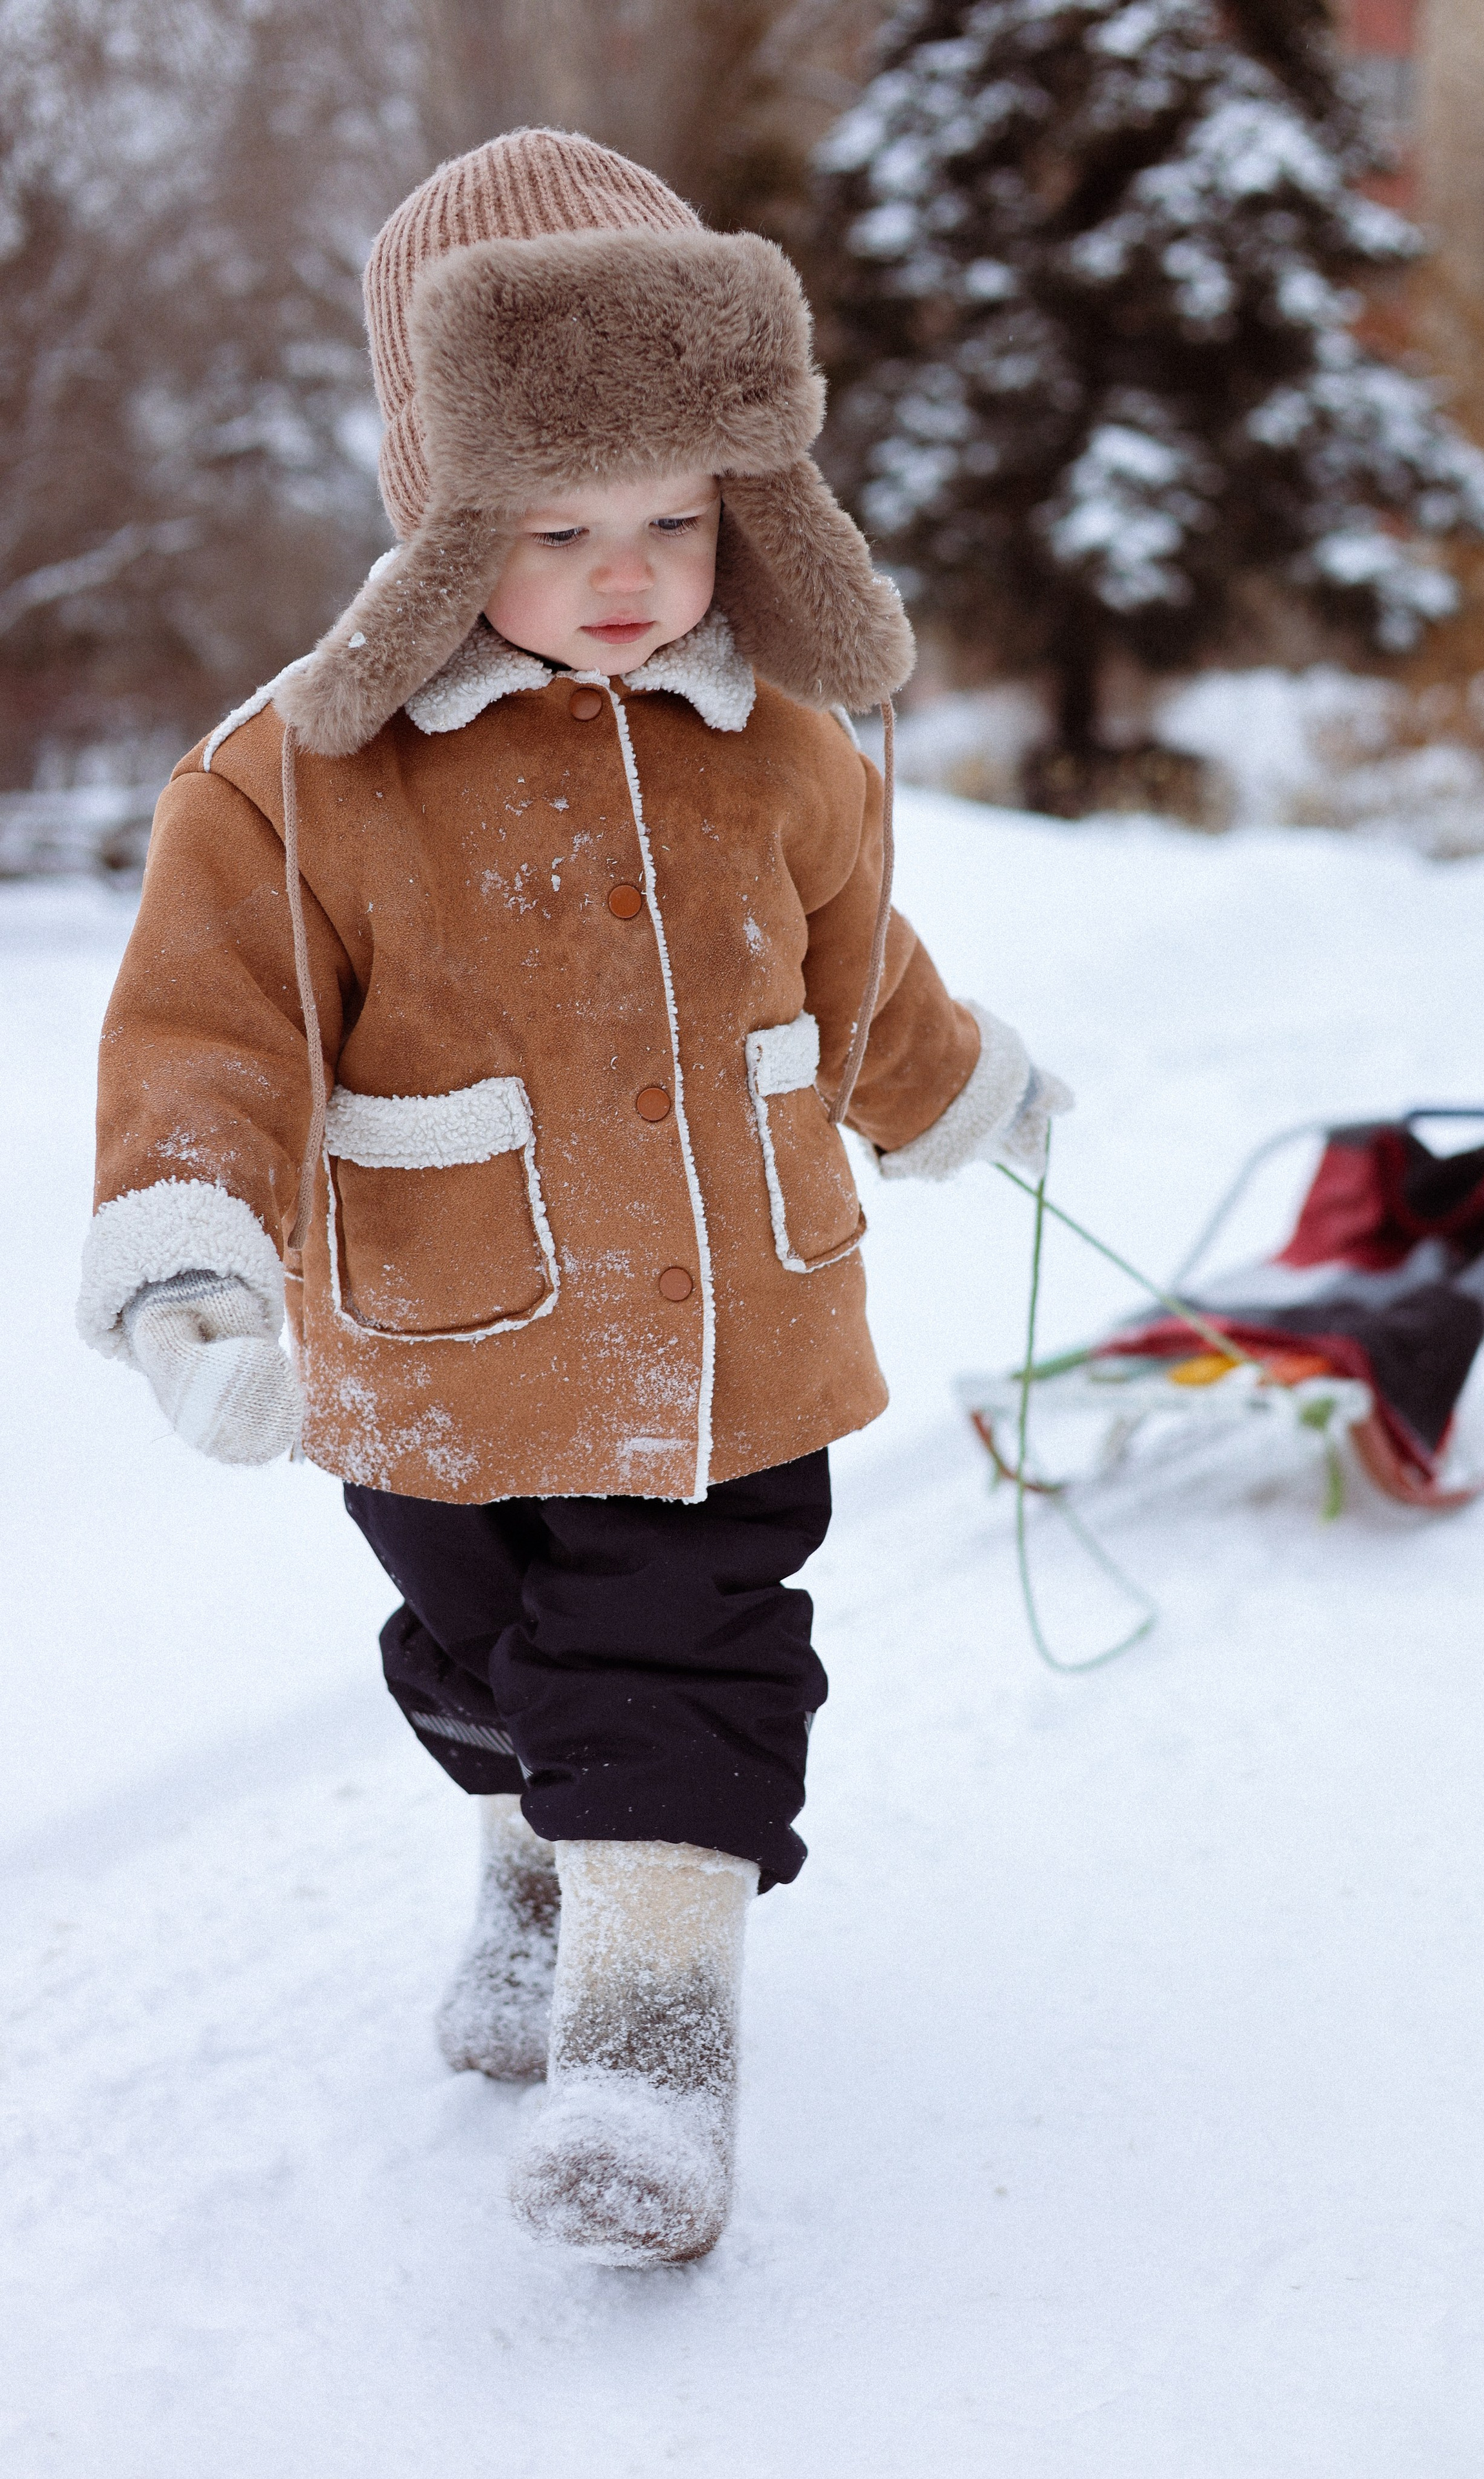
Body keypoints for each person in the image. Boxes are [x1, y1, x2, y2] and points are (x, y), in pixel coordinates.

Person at [75, 129, 1070, 2267]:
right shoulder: (298, 777)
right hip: (445, 1348)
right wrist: (194, 1264)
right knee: (486, 1652)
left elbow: (856, 976)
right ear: (443, 510)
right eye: (556, 526)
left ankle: (652, 2053)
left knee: (681, 1655)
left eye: (677, 519)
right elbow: (206, 1036)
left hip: (729, 1344)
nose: (628, 575)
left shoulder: (780, 745)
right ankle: (536, 1877)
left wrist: (959, 1084)